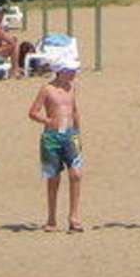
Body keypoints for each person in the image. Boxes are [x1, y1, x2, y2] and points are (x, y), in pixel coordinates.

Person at [27, 48, 84, 233]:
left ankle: (74, 217)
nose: (73, 74)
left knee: (76, 174)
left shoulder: (72, 88)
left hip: (70, 135)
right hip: (51, 137)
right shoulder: (47, 89)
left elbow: (74, 111)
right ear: (61, 71)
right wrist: (47, 121)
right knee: (53, 178)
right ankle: (51, 218)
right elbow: (33, 112)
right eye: (70, 70)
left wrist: (78, 133)